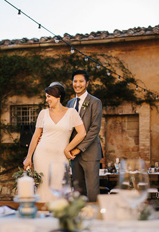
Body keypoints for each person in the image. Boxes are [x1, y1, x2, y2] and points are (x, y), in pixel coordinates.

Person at [22, 83, 86, 201]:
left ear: (58, 97)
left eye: (49, 96)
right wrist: (28, 157)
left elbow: (82, 133)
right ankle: (43, 214)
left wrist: (68, 148)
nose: (47, 100)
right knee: (43, 188)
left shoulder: (72, 113)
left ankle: (59, 214)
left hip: (60, 157)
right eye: (46, 97)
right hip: (42, 156)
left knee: (60, 188)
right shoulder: (43, 113)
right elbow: (35, 136)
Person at [67, 70, 103, 202]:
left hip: (90, 152)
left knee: (92, 191)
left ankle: (95, 220)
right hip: (74, 156)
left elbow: (94, 129)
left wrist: (78, 148)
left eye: (81, 81)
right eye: (75, 81)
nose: (78, 84)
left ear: (87, 83)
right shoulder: (70, 104)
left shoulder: (95, 102)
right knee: (78, 190)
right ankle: (80, 218)